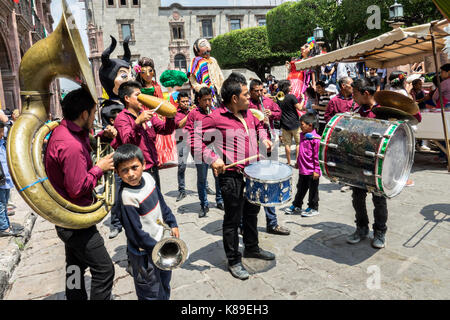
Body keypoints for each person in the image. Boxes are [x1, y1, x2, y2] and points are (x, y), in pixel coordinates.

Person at [195, 72, 276, 280]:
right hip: (231, 176)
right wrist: (212, 158)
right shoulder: (215, 117)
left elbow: (260, 127)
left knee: (252, 213)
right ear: (234, 98)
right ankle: (233, 260)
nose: (250, 98)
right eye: (246, 95)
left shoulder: (249, 112)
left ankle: (252, 247)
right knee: (232, 219)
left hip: (252, 172)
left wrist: (264, 139)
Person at [44, 88, 115, 300]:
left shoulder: (68, 131)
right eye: (93, 114)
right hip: (76, 222)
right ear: (84, 114)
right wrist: (100, 168)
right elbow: (76, 188)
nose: (94, 118)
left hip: (68, 218)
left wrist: (102, 136)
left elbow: (88, 142)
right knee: (104, 270)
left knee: (74, 268)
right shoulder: (70, 145)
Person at [113, 144, 179, 300]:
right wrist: (158, 248)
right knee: (150, 292)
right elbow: (135, 234)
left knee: (164, 283)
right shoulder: (127, 197)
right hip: (144, 255)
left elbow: (161, 204)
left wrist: (172, 222)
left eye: (135, 167)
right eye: (124, 170)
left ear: (144, 165)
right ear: (117, 173)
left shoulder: (149, 178)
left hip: (160, 244)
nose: (131, 174)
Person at [346, 78, 388, 249]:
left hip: (378, 163)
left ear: (366, 93)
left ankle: (380, 231)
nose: (352, 97)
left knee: (379, 199)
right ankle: (361, 228)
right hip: (359, 161)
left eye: (355, 94)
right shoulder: (357, 110)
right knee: (357, 197)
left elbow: (415, 116)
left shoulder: (383, 110)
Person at [115, 81, 176, 191]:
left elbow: (165, 129)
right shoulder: (121, 118)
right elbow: (127, 141)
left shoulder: (147, 114)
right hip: (137, 173)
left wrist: (170, 115)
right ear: (127, 98)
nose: (142, 99)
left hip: (153, 168)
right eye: (138, 95)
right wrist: (137, 122)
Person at [248, 79, 290, 235]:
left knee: (269, 181)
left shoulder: (267, 101)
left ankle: (272, 223)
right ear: (250, 91)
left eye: (261, 90)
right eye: (256, 91)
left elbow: (279, 114)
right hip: (252, 147)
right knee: (252, 183)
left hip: (269, 144)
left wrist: (271, 115)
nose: (259, 94)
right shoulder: (246, 104)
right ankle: (245, 223)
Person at [185, 87, 224, 217]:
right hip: (200, 150)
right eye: (205, 100)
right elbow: (190, 134)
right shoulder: (193, 114)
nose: (208, 102)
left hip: (215, 148)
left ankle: (220, 200)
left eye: (209, 99)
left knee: (218, 175)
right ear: (199, 100)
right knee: (202, 178)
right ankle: (204, 204)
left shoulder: (215, 112)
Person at [284, 113, 321, 216]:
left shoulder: (316, 139)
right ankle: (297, 205)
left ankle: (313, 208)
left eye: (302, 124)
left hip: (312, 171)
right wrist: (298, 162)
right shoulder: (303, 135)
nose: (300, 127)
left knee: (313, 191)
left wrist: (316, 170)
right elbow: (301, 150)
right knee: (300, 188)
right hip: (303, 169)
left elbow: (316, 157)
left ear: (310, 125)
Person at [187, 38, 224, 109]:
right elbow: (193, 82)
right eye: (203, 44)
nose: (207, 46)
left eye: (207, 43)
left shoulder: (213, 60)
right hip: (203, 96)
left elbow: (220, 76)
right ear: (196, 49)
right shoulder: (195, 62)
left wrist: (222, 89)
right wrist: (203, 89)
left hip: (217, 95)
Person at [0, 122, 22, 237]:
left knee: (4, 205)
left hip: (6, 180)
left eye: (2, 131)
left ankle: (7, 225)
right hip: (0, 181)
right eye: (0, 131)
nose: (2, 134)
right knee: (1, 205)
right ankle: (4, 228)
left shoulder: (3, 143)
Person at [278, 80, 305, 167]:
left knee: (287, 144)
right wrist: (303, 99)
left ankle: (288, 162)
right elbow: (300, 108)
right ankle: (297, 162)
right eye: (290, 85)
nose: (291, 87)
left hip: (284, 124)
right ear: (286, 87)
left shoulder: (279, 97)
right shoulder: (291, 96)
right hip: (295, 123)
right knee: (298, 143)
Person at [174, 91, 192, 202]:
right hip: (181, 141)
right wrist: (191, 114)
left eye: (187, 101)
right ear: (178, 102)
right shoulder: (175, 113)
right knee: (182, 166)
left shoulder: (192, 110)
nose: (186, 103)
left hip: (194, 140)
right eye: (183, 101)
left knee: (202, 166)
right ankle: (181, 190)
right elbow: (180, 124)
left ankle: (206, 187)